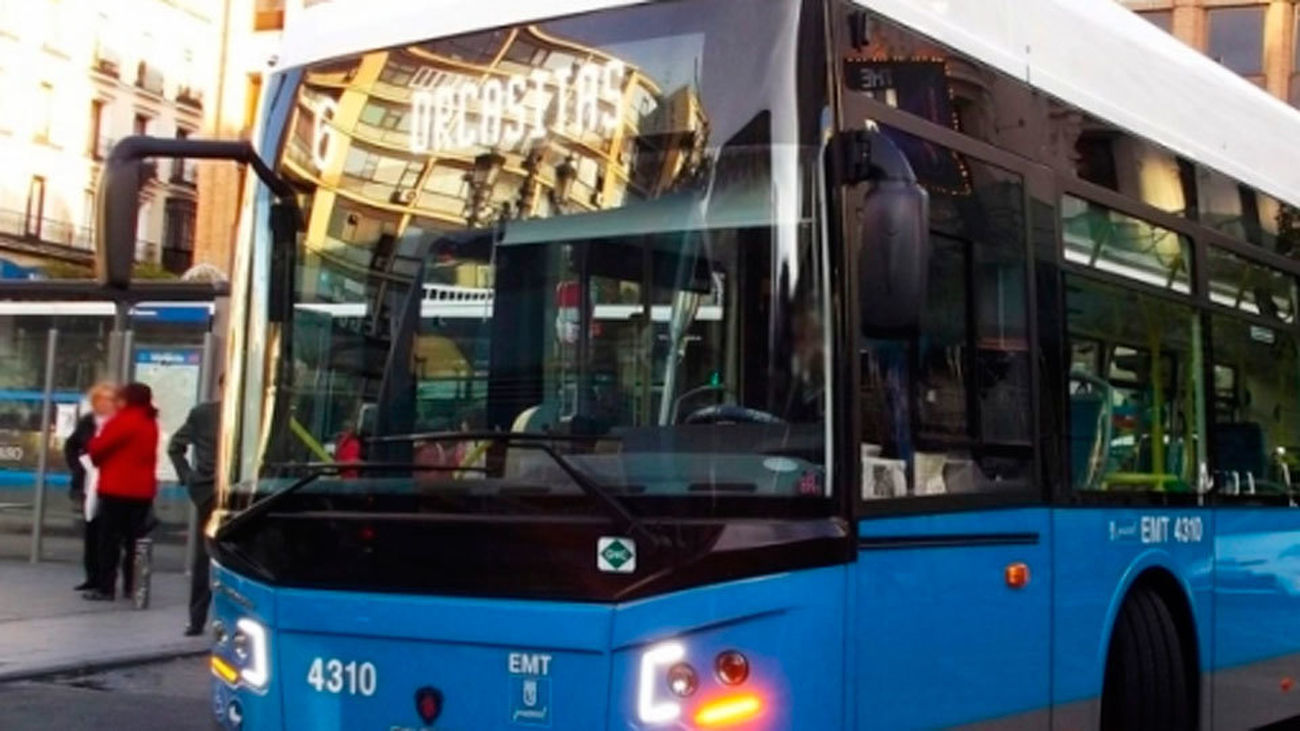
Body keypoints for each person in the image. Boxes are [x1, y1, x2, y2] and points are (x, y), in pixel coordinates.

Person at [84, 383, 159, 601]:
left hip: (116, 488)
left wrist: (95, 447)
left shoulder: (123, 420)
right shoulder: (150, 421)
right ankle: (132, 586)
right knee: (134, 541)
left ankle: (106, 587)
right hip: (142, 491)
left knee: (109, 540)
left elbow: (97, 448)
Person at [168, 379, 221, 635]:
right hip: (215, 490)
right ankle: (198, 617)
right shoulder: (204, 414)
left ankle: (197, 619)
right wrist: (189, 477)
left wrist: (190, 478)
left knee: (205, 555)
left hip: (211, 490)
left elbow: (175, 447)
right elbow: (175, 446)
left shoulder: (203, 413)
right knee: (206, 555)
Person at [63, 383, 118, 591]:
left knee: (108, 534)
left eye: (109, 399)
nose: (105, 403)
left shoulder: (118, 423)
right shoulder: (88, 422)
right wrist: (77, 467)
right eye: (101, 399)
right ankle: (92, 577)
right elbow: (72, 445)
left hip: (112, 484)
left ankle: (108, 579)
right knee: (91, 531)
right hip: (89, 481)